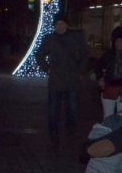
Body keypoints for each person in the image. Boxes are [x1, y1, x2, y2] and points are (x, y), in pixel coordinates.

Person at [36, 12, 88, 144]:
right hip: (56, 80)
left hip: (71, 79)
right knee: (53, 110)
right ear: (54, 25)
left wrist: (79, 71)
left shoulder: (76, 38)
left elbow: (85, 55)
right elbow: (39, 55)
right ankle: (53, 134)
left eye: (62, 23)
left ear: (67, 25)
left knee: (72, 109)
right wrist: (47, 68)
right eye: (57, 24)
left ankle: (70, 132)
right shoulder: (50, 39)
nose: (60, 26)